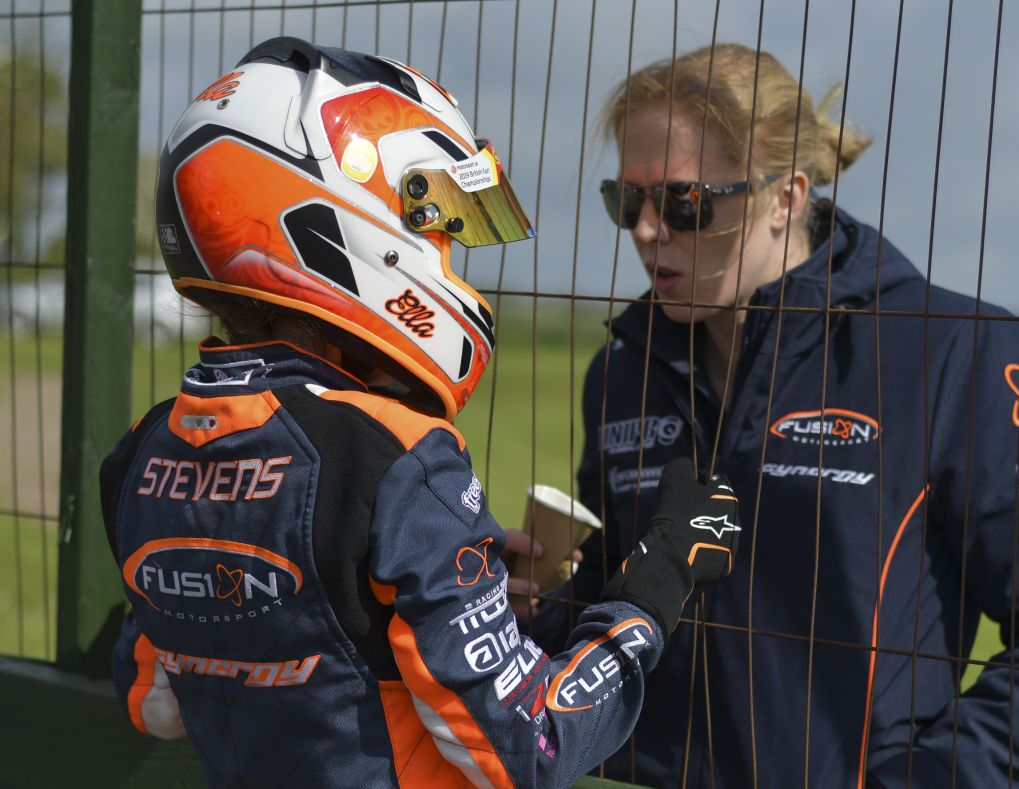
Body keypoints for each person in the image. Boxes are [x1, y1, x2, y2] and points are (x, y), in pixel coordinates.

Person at [100, 37, 743, 788]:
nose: (447, 254)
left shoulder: (143, 452)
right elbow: (532, 742)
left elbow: (153, 699)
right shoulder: (399, 457)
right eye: (438, 227)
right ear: (341, 224)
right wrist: (658, 578)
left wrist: (432, 587)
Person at [531, 43, 1019, 788]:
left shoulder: (954, 352)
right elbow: (623, 605)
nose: (648, 230)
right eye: (627, 201)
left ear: (787, 196)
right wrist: (533, 608)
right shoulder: (621, 370)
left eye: (684, 203)